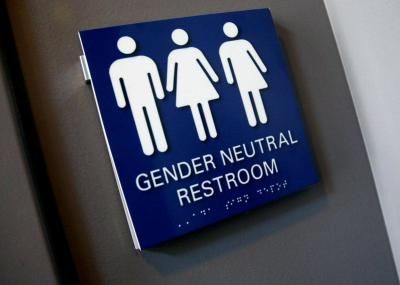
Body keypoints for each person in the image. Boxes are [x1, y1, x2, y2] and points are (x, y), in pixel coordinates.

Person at [109, 36, 168, 156]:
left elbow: (155, 78)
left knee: (151, 118)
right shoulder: (119, 65)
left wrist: (160, 93)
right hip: (136, 98)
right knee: (144, 120)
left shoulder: (144, 61)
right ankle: (150, 147)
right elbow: (117, 85)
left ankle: (160, 145)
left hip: (146, 96)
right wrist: (122, 101)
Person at [166, 28, 220, 141]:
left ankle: (211, 131)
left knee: (203, 106)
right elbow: (171, 72)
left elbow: (205, 65)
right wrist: (170, 86)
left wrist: (214, 77)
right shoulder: (174, 54)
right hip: (187, 86)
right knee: (196, 107)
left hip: (198, 82)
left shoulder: (193, 51)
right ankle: (204, 134)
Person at [219, 22, 269, 127]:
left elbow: (254, 56)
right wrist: (230, 78)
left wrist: (262, 68)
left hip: (252, 71)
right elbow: (226, 64)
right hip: (240, 75)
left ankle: (262, 117)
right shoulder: (224, 47)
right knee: (246, 96)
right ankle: (252, 119)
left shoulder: (244, 43)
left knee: (255, 93)